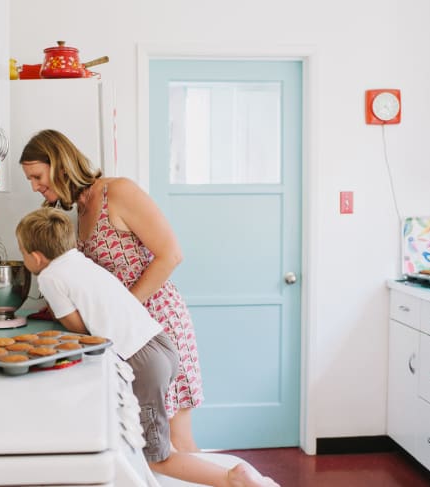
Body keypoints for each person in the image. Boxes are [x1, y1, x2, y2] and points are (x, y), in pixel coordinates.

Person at [15, 207, 278, 487]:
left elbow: (78, 327)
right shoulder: (80, 261)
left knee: (157, 455)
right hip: (160, 342)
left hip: (141, 360)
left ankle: (233, 479)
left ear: (35, 257)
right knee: (144, 437)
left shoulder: (49, 277)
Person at [20, 129, 202, 452]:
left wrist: (124, 309)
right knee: (147, 444)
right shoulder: (79, 211)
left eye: (36, 175)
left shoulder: (117, 192)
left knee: (175, 442)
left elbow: (171, 254)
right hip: (130, 334)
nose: (34, 186)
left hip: (158, 324)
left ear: (59, 163)